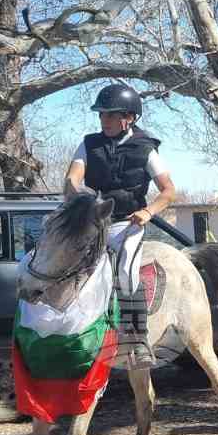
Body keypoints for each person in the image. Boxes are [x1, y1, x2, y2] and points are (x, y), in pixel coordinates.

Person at [63, 83, 178, 366]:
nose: (104, 120)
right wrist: (77, 194)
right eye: (101, 115)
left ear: (129, 117)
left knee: (126, 271)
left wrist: (148, 212)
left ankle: (138, 340)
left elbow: (168, 191)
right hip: (95, 221)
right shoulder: (89, 143)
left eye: (111, 115)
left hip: (128, 222)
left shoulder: (146, 148)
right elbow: (72, 178)